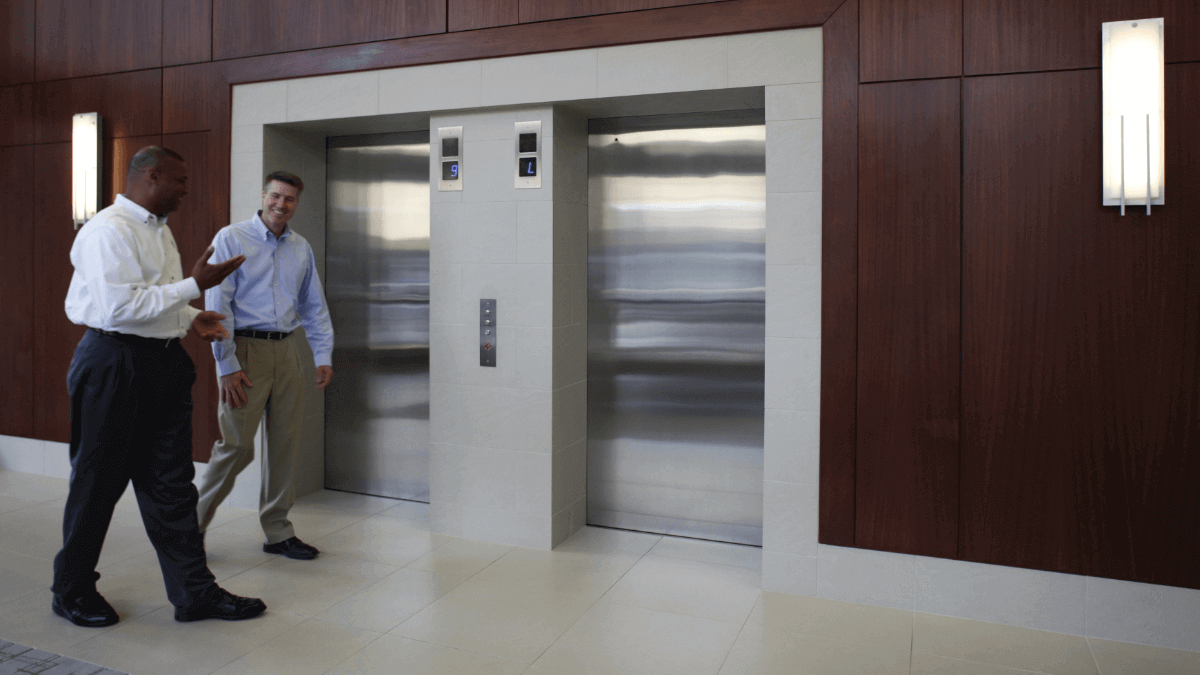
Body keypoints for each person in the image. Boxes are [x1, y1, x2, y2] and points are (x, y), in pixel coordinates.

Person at [54, 146, 267, 627]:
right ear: (151, 177)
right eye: (180, 181)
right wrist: (193, 287)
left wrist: (191, 317)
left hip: (162, 366)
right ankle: (71, 589)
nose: (186, 190)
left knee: (172, 488)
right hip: (113, 366)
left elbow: (149, 299)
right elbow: (115, 311)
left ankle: (194, 593)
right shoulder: (108, 231)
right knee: (98, 484)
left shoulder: (157, 228)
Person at [194, 171, 334, 561]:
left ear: (296, 204)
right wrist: (227, 365)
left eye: (289, 199)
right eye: (275, 196)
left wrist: (322, 354)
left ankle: (278, 532)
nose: (281, 204)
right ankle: (191, 529)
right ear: (263, 196)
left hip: (288, 352)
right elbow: (217, 307)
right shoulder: (232, 238)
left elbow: (313, 306)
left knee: (284, 446)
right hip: (246, 353)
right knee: (236, 447)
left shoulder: (300, 247)